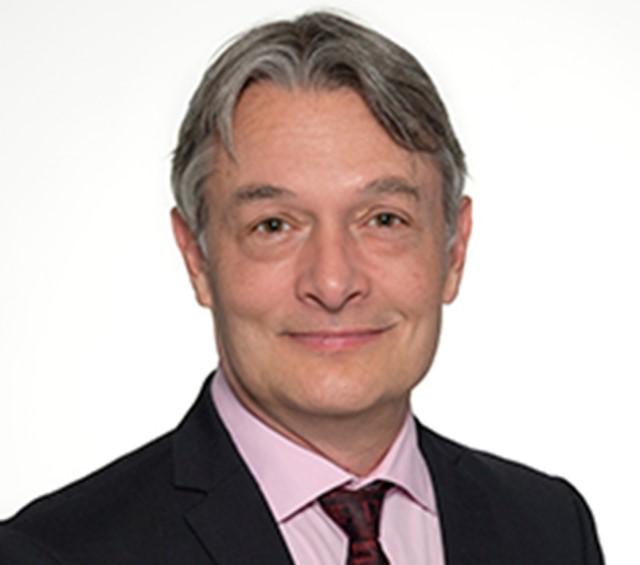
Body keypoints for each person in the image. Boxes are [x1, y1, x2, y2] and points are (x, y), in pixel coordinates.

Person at [0, 11, 604, 565]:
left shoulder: (549, 529)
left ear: (454, 248)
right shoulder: (54, 553)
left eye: (383, 219)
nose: (334, 282)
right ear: (197, 258)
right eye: (274, 226)